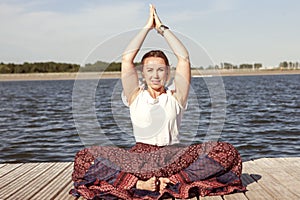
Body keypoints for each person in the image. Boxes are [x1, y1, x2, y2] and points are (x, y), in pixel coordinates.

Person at [70, 5, 246, 200]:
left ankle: (171, 179)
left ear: (168, 73)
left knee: (227, 151)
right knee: (85, 156)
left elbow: (184, 58)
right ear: (142, 74)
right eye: (150, 70)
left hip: (175, 157)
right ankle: (140, 183)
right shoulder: (135, 96)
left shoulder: (176, 96)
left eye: (161, 70)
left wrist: (162, 29)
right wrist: (147, 27)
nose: (155, 75)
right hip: (140, 159)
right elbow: (126, 59)